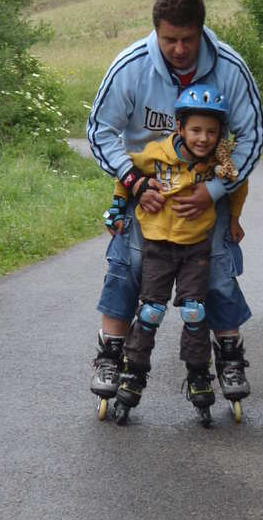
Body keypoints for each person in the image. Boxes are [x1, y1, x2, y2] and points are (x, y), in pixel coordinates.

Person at [87, 0, 263, 406]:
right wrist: (134, 182)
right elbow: (100, 131)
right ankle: (111, 356)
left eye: (188, 39)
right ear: (156, 33)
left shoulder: (231, 69)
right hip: (144, 185)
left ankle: (230, 357)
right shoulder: (131, 67)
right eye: (170, 40)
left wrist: (215, 190)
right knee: (127, 266)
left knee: (219, 271)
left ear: (201, 31)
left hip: (207, 189)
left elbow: (252, 137)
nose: (180, 49)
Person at [104, 88, 247, 421]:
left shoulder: (217, 165)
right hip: (157, 245)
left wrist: (235, 219)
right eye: (196, 130)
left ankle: (199, 375)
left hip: (196, 248)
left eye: (212, 132)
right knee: (151, 311)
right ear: (180, 128)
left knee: (195, 312)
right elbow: (126, 172)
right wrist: (116, 207)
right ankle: (133, 373)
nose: (203, 138)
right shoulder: (156, 154)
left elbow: (239, 184)